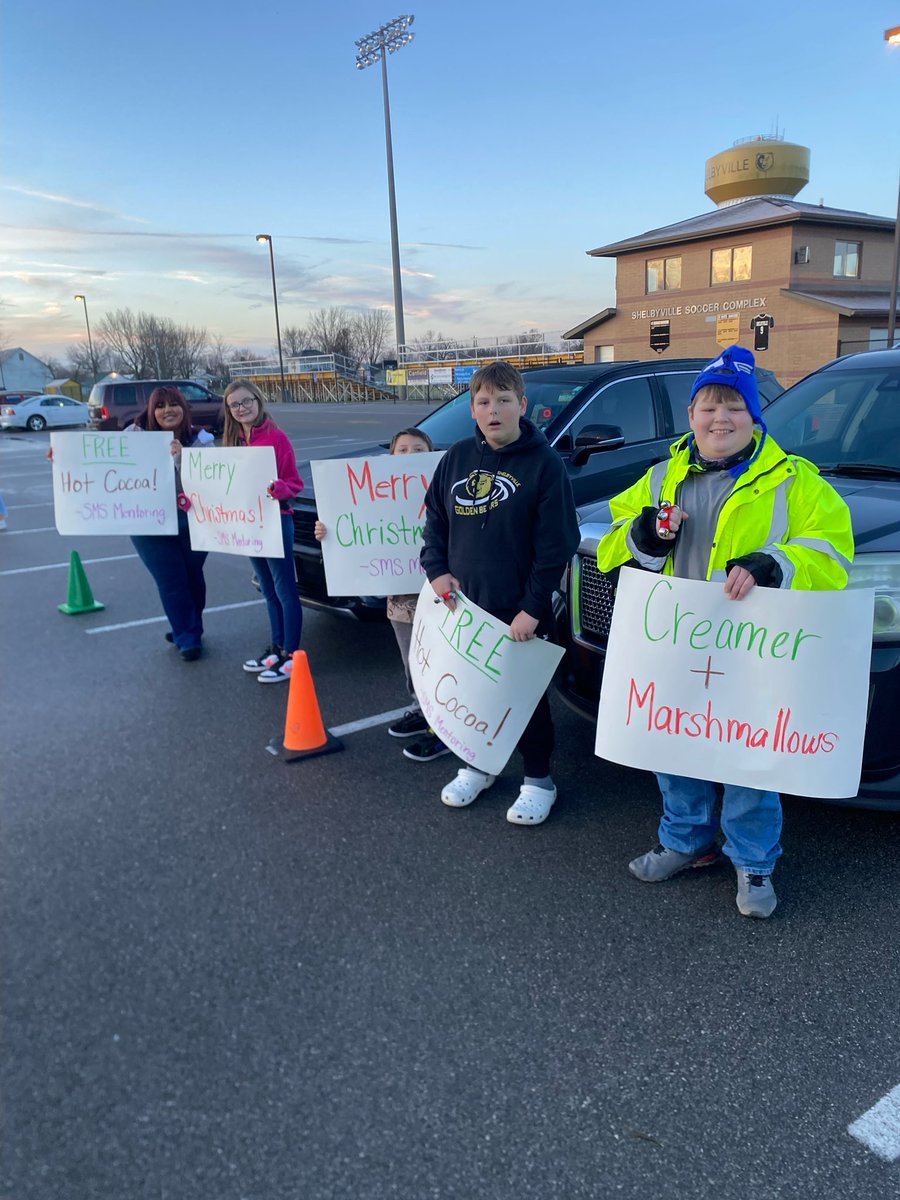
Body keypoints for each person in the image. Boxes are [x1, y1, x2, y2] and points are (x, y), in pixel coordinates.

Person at [596, 345, 854, 918]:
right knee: (674, 747)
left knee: (749, 761)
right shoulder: (662, 475)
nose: (720, 419)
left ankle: (754, 862)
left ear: (754, 417)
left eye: (734, 407)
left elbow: (835, 554)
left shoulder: (796, 482)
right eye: (709, 406)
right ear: (691, 416)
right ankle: (686, 842)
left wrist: (775, 562)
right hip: (677, 644)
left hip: (754, 654)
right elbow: (614, 542)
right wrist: (644, 535)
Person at [421, 360, 580, 824]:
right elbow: (435, 518)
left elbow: (557, 546)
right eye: (484, 402)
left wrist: (533, 608)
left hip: (520, 611)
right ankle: (478, 763)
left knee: (522, 698)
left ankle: (538, 780)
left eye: (504, 401)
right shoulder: (455, 459)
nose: (494, 411)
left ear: (522, 405)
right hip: (465, 607)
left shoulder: (544, 464)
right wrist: (435, 569)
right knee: (471, 694)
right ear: (472, 410)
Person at [314, 428, 450, 763]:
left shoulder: (443, 490)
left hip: (436, 596)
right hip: (398, 599)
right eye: (402, 449)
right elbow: (353, 526)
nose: (410, 454)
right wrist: (326, 531)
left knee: (438, 662)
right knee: (410, 661)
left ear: (431, 454)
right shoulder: (380, 491)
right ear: (391, 456)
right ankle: (422, 709)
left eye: (419, 448)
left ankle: (443, 729)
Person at [222, 380, 304, 684]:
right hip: (247, 523)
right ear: (229, 410)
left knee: (285, 590)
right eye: (235, 404)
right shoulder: (234, 443)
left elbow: (294, 483)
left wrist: (279, 489)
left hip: (275, 521)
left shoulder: (276, 438)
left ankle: (292, 654)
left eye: (247, 401)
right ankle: (277, 646)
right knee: (268, 589)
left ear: (258, 401)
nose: (242, 408)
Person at [128, 386, 214, 662]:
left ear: (184, 408)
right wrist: (64, 459)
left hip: (193, 521)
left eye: (174, 404)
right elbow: (101, 466)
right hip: (150, 524)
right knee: (171, 581)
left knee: (193, 578)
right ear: (151, 411)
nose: (168, 410)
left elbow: (212, 480)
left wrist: (182, 460)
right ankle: (188, 638)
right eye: (161, 405)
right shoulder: (133, 437)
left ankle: (187, 627)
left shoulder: (200, 439)